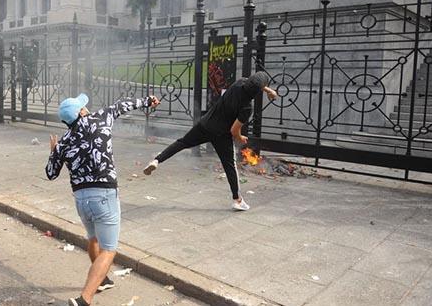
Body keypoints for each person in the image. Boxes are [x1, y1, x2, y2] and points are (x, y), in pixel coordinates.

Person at [46, 93, 160, 306]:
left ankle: (102, 280)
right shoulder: (101, 118)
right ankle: (84, 299)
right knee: (108, 249)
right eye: (83, 107)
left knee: (93, 239)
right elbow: (121, 105)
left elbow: (51, 173)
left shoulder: (64, 141)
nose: (87, 108)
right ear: (81, 112)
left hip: (81, 199)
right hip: (104, 195)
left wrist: (54, 152)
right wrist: (147, 100)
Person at [143, 71, 277, 211]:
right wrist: (240, 137)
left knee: (182, 143)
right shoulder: (246, 107)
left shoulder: (239, 83)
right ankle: (237, 200)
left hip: (205, 124)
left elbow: (252, 83)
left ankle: (157, 160)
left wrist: (268, 89)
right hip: (221, 135)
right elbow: (234, 130)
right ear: (257, 91)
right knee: (230, 166)